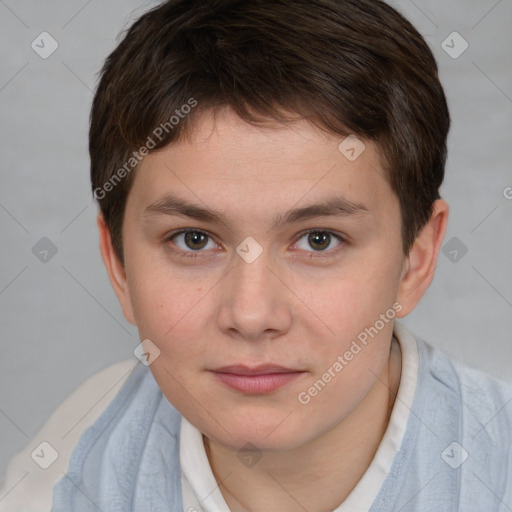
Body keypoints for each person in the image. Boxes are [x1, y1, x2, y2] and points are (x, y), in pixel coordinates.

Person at [2, 0, 511, 510]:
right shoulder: (60, 481)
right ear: (118, 265)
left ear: (415, 260)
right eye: (193, 240)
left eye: (319, 240)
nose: (251, 315)